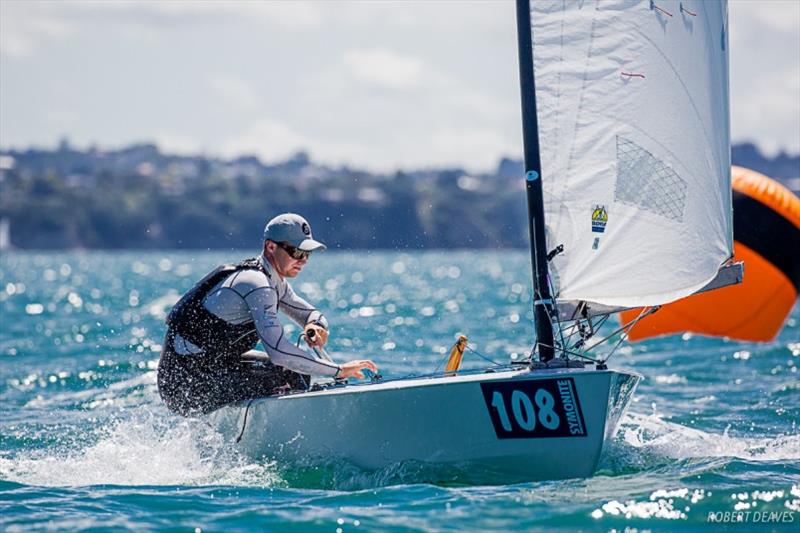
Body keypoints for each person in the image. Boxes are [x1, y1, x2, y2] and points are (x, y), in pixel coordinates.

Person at [157, 213, 378, 416]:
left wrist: (314, 325)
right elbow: (279, 353)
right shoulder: (256, 284)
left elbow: (310, 313)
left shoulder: (274, 281)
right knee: (286, 372)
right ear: (271, 247)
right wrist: (338, 371)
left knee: (294, 373)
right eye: (297, 252)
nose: (303, 260)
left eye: (307, 254)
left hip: (213, 368)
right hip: (183, 385)